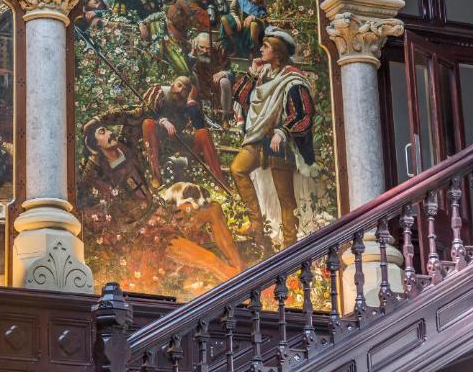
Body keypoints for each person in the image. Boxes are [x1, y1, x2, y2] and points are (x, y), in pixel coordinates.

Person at [79, 122, 241, 286]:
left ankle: (242, 272)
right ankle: (242, 287)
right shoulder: (98, 172)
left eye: (107, 128)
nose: (109, 133)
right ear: (95, 145)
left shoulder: (128, 148)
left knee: (213, 210)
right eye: (102, 132)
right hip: (145, 235)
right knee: (211, 260)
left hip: (163, 214)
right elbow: (82, 200)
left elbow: (137, 115)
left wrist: (162, 121)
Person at [229, 28, 316, 248]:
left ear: (276, 52)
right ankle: (257, 225)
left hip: (279, 143)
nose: (260, 49)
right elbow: (240, 95)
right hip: (258, 137)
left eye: (265, 47)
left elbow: (304, 114)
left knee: (284, 196)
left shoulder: (292, 79)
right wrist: (252, 72)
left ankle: (290, 244)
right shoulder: (263, 74)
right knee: (237, 169)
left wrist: (283, 131)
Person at [141, 76, 230, 189]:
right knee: (148, 123)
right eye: (179, 85)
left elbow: (199, 127)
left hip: (179, 141)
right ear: (172, 84)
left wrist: (192, 103)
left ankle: (221, 183)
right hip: (159, 138)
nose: (179, 91)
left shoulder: (188, 104)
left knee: (203, 133)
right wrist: (163, 121)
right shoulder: (160, 93)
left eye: (184, 90)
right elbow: (148, 112)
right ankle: (156, 177)